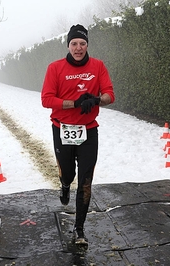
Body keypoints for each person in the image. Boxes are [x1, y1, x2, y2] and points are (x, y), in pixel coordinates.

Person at [41, 24, 115, 245]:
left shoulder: (98, 66)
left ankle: (79, 229)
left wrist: (96, 99)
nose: (78, 48)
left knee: (86, 180)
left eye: (82, 43)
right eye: (74, 43)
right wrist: (74, 103)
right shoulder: (55, 68)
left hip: (89, 130)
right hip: (62, 128)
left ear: (87, 45)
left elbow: (110, 94)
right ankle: (64, 185)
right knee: (68, 174)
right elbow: (46, 99)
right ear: (68, 45)